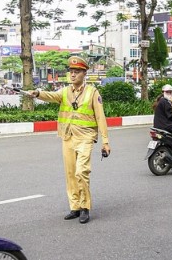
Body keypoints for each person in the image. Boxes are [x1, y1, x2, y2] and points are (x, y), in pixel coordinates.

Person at [22, 56, 110, 224]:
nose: (73, 74)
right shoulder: (65, 91)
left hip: (85, 137)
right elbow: (51, 96)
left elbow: (101, 117)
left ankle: (85, 207)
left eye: (77, 72)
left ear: (84, 73)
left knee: (81, 172)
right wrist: (37, 93)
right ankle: (75, 207)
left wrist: (105, 141)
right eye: (71, 71)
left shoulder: (93, 92)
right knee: (70, 174)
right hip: (68, 137)